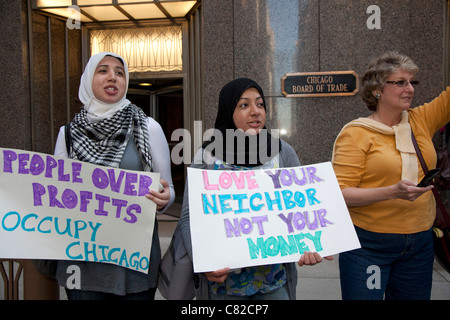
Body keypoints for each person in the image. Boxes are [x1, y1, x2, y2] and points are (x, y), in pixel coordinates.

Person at [178, 78, 332, 300]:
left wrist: (309, 244)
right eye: (244, 105)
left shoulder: (282, 151)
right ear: (227, 110)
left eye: (260, 104)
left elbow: (303, 208)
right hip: (224, 287)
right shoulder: (208, 156)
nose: (255, 112)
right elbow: (188, 217)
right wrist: (203, 262)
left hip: (274, 284)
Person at [53, 52, 175, 300]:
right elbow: (55, 194)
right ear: (89, 79)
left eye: (119, 72)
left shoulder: (147, 127)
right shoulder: (67, 134)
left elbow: (168, 189)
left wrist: (165, 199)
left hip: (134, 261)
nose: (113, 77)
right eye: (103, 70)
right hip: (83, 262)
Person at [332, 51, 450, 300]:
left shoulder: (421, 120)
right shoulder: (355, 134)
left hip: (419, 244)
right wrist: (392, 192)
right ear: (377, 89)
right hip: (369, 246)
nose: (409, 89)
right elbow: (339, 193)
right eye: (400, 82)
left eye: (412, 82)